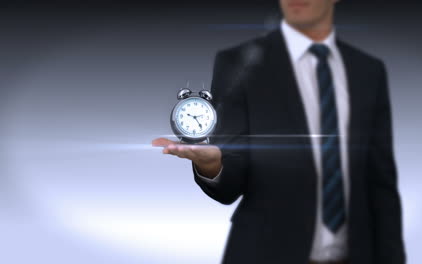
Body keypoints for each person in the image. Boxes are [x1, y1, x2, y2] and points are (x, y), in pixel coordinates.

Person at [152, 0, 406, 263]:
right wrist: (213, 166)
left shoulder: (368, 71)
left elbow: (381, 185)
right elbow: (231, 184)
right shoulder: (237, 63)